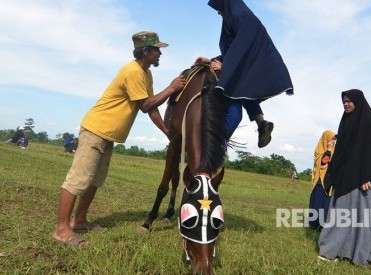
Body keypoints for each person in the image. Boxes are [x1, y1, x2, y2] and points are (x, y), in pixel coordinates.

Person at [51, 31, 186, 247]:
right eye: (156, 50)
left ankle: (80, 220)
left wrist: (167, 131)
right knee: (78, 179)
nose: (160, 54)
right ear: (146, 51)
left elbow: (152, 107)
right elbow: (145, 106)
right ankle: (61, 230)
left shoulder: (146, 74)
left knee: (95, 180)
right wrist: (171, 88)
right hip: (96, 130)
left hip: (109, 135)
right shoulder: (132, 71)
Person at [200, 0, 293, 148]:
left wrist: (225, 67)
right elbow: (232, 51)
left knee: (234, 102)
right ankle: (262, 124)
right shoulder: (238, 18)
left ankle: (213, 147)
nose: (218, 12)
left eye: (219, 8)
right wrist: (211, 61)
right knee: (246, 94)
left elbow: (243, 51)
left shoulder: (238, 16)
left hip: (252, 66)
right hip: (250, 67)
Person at [318, 89, 371, 266]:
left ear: (358, 102)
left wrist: (366, 175)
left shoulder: (368, 122)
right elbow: (343, 152)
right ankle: (333, 250)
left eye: (349, 101)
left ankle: (359, 251)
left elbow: (369, 151)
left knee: (363, 217)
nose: (346, 104)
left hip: (363, 178)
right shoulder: (345, 122)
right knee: (341, 214)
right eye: (344, 101)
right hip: (345, 176)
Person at [308, 130, 336, 230]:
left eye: (334, 139)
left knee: (327, 205)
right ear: (326, 139)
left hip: (330, 183)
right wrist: (328, 149)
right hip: (320, 182)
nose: (333, 141)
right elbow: (324, 162)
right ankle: (314, 225)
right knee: (317, 204)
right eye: (332, 138)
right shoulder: (319, 150)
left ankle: (324, 226)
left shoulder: (335, 150)